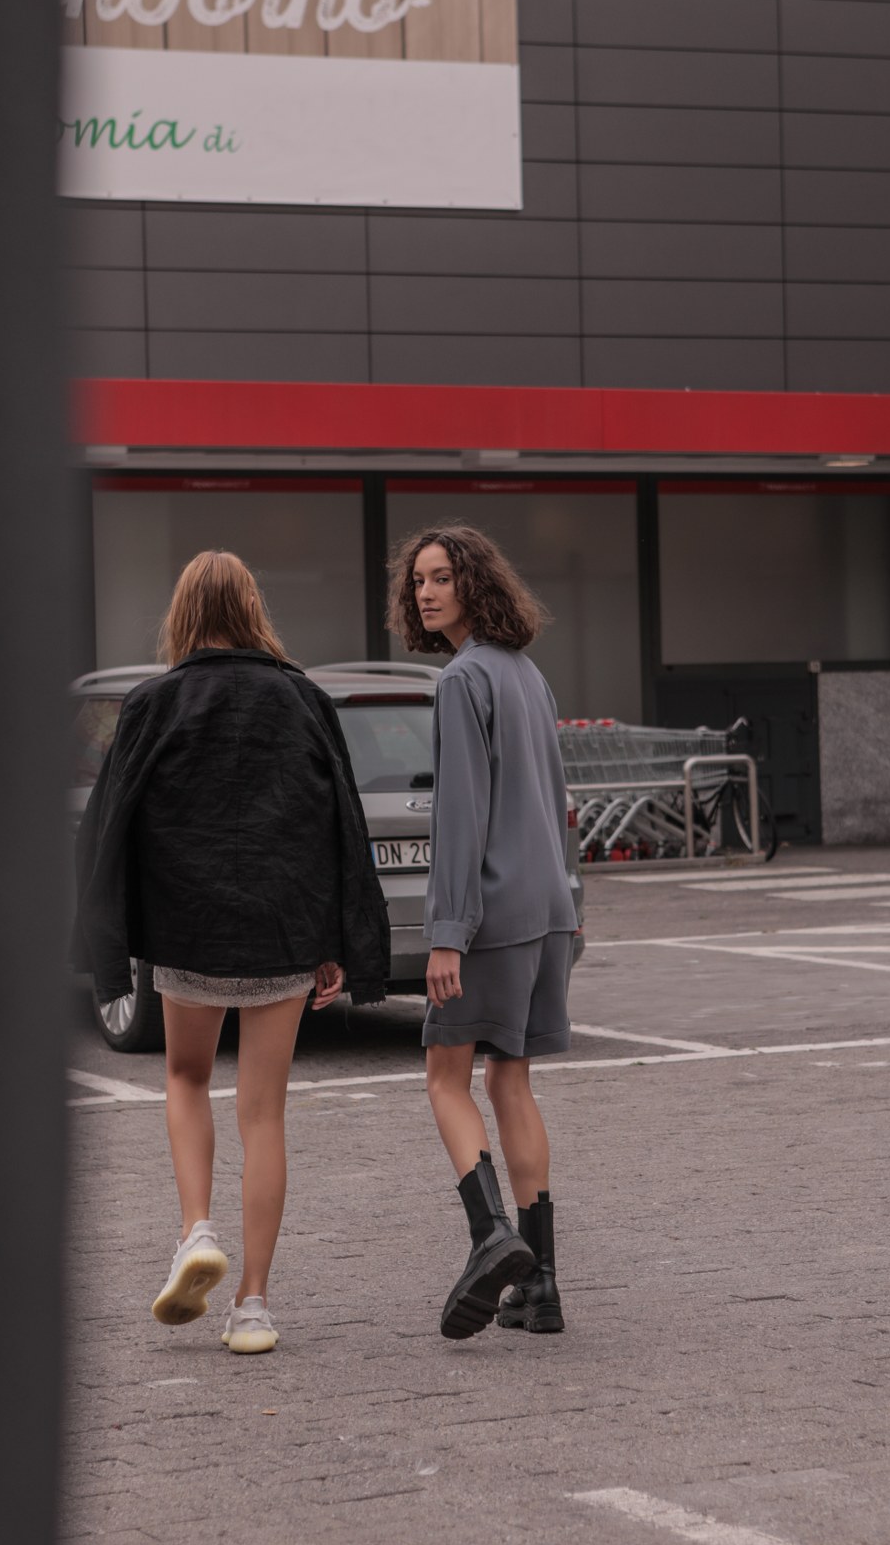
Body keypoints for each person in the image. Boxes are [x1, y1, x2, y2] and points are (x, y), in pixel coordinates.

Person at [74, 551, 390, 1355]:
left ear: (181, 613)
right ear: (254, 609)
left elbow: (109, 825)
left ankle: (195, 1230)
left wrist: (115, 938)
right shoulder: (303, 698)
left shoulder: (153, 702)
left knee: (185, 1078)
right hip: (282, 932)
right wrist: (337, 939)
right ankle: (253, 1305)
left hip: (188, 931)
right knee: (264, 1111)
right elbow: (339, 821)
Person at [387, 524, 579, 1340]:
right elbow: (555, 800)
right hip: (546, 912)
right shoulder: (526, 674)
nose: (427, 593)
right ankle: (540, 1289)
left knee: (444, 1077)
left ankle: (490, 1236)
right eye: (418, 581)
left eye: (442, 577)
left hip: (492, 916)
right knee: (511, 1083)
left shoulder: (463, 678)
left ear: (475, 584)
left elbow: (461, 817)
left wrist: (446, 933)